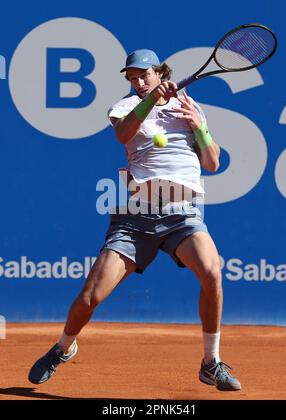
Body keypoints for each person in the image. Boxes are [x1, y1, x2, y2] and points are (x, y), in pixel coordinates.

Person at [28, 49, 241, 392]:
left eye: (144, 75)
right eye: (132, 78)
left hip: (182, 215)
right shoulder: (125, 107)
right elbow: (124, 135)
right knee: (90, 298)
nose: (139, 82)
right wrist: (150, 101)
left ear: (160, 72)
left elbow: (212, 163)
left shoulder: (189, 106)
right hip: (136, 218)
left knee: (213, 272)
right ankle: (63, 348)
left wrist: (199, 127)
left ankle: (210, 363)